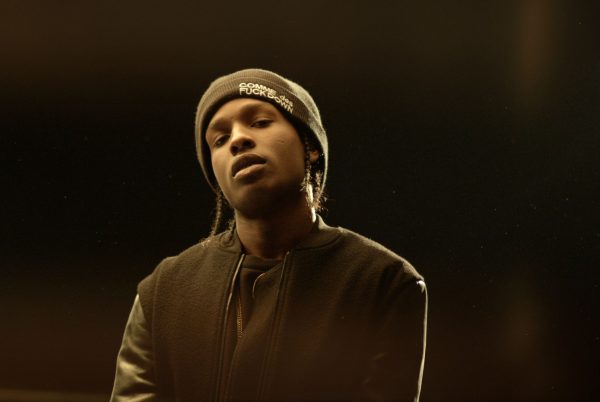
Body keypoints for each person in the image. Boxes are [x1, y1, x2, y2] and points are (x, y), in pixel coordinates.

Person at [110, 68, 428, 402]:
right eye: (219, 140)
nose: (238, 139)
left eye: (260, 122)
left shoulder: (383, 281)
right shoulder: (162, 291)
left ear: (310, 146)